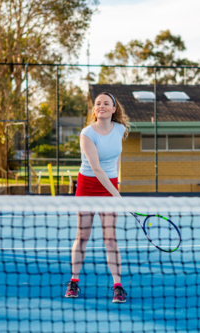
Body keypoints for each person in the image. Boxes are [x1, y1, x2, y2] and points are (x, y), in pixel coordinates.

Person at [65, 92, 129, 303]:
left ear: (113, 109)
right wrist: (117, 195)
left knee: (110, 239)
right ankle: (74, 281)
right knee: (82, 237)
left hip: (110, 187)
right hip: (88, 186)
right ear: (94, 110)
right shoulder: (86, 133)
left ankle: (118, 286)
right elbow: (96, 168)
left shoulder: (120, 129)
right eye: (97, 104)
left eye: (106, 103)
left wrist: (116, 184)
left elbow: (117, 159)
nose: (101, 106)